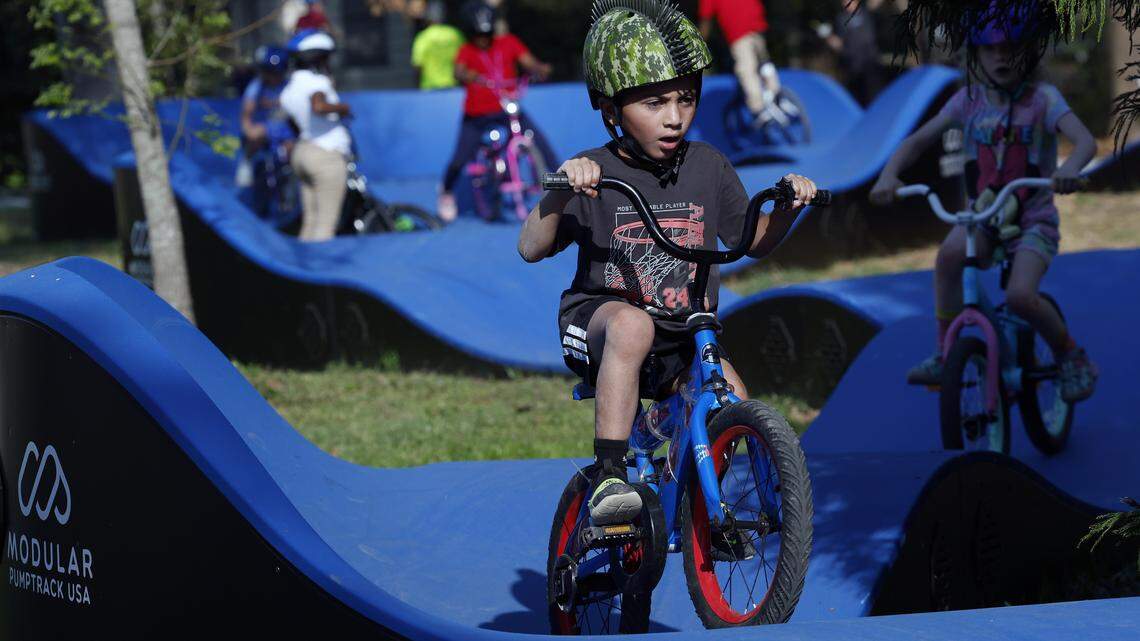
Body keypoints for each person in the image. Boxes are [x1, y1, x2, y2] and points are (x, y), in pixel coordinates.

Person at [517, 0, 818, 525]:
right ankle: (610, 476)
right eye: (655, 103)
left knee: (733, 396)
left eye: (685, 99)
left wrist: (786, 210)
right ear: (611, 109)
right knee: (632, 326)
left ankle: (699, 511)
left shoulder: (708, 165)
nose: (675, 117)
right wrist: (561, 191)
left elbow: (752, 240)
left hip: (683, 337)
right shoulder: (596, 170)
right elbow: (531, 247)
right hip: (601, 324)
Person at [870, 1, 1098, 403]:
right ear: (974, 55)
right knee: (947, 258)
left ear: (1029, 50)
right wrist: (890, 175)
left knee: (1020, 297)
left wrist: (1070, 169)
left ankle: (1071, 355)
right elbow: (916, 141)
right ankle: (946, 353)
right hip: (983, 218)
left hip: (1032, 220)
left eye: (1010, 47)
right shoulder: (967, 101)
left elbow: (1084, 141)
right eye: (989, 49)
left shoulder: (1042, 99)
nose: (1000, 56)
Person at [436, 0, 557, 222]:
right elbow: (458, 70)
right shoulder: (466, 50)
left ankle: (563, 187)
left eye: (487, 34)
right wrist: (467, 75)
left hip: (507, 109)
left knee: (539, 142)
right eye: (477, 35)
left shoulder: (508, 42)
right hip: (476, 115)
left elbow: (528, 62)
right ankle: (446, 191)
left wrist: (539, 69)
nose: (483, 39)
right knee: (460, 157)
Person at [280, 29, 352, 242]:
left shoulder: (292, 85)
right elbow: (318, 106)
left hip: (303, 151)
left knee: (310, 222)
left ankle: (302, 271)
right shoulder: (316, 82)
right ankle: (321, 273)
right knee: (325, 226)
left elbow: (293, 121)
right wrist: (343, 107)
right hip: (325, 155)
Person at [698, 0, 776, 123]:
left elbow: (706, 20)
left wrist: (699, 44)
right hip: (757, 26)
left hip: (738, 33)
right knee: (764, 62)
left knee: (746, 70)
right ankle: (776, 95)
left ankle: (758, 109)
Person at [237, 45, 291, 188]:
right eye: (269, 72)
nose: (272, 76)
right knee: (257, 133)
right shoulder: (256, 87)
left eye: (275, 73)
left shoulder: (289, 86)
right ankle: (247, 162)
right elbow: (247, 114)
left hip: (286, 130)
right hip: (265, 129)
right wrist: (249, 131)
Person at [822, 0, 887, 106]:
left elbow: (876, 4)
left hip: (871, 63)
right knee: (859, 99)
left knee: (876, 96)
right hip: (853, 66)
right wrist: (830, 40)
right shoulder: (841, 19)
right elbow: (840, 44)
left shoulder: (866, 13)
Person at [411, 1, 465, 90]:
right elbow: (464, 60)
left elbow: (417, 65)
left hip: (430, 88)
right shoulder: (455, 34)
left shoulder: (423, 37)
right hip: (452, 87)